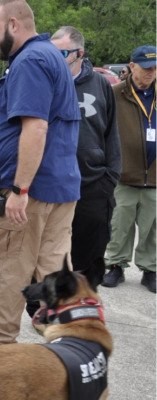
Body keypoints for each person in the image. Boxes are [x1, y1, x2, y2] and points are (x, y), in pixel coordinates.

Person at [0, 0, 81, 351]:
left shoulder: (30, 61)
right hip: (58, 189)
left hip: (27, 194)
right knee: (55, 279)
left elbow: (35, 128)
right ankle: (73, 350)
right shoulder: (52, 56)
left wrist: (18, 188)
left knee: (7, 272)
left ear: (14, 25)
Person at [25, 26, 122, 327]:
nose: (56, 57)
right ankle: (40, 310)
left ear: (80, 54)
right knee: (45, 255)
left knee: (86, 257)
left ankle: (76, 314)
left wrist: (109, 179)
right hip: (51, 187)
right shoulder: (45, 82)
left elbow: (111, 135)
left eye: (63, 53)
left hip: (92, 187)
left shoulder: (101, 84)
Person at [102, 45, 156, 293]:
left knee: (152, 228)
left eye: (155, 68)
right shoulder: (115, 93)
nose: (152, 73)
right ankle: (115, 266)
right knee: (119, 225)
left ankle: (150, 269)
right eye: (147, 68)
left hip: (155, 176)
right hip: (124, 175)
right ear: (132, 66)